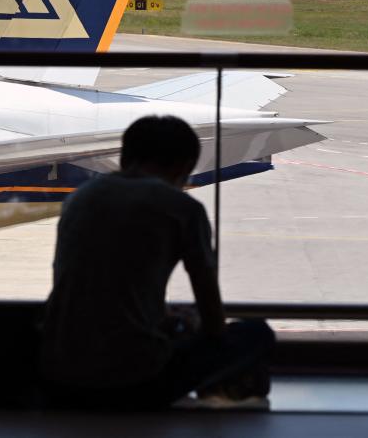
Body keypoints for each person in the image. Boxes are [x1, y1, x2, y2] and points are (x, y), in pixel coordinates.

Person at [38, 115, 274, 410]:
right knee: (255, 333)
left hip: (59, 376)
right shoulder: (182, 209)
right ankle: (221, 391)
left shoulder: (80, 198)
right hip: (135, 383)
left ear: (124, 157)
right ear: (184, 167)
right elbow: (213, 318)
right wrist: (190, 324)